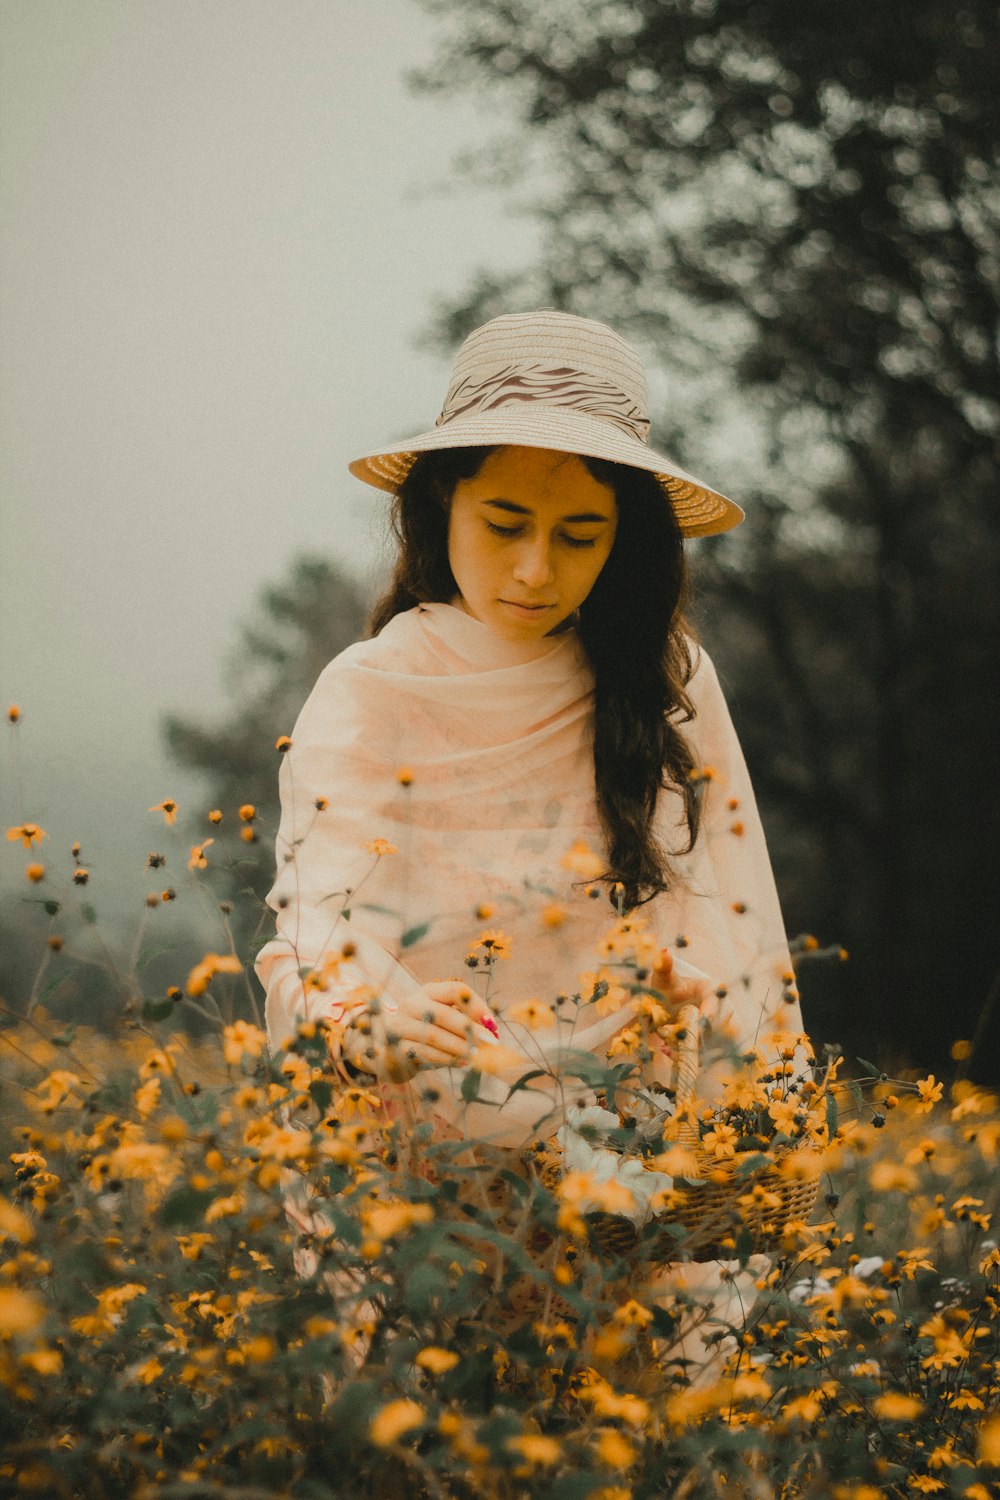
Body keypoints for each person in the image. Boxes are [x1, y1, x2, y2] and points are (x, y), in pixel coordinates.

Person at [255, 309, 807, 1368]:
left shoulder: (667, 680)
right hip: (420, 1174)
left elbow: (726, 921)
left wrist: (692, 1001)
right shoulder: (369, 693)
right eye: (503, 522)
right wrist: (372, 1022)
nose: (535, 570)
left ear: (625, 541)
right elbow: (315, 924)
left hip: (627, 1174)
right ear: (436, 507)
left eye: (579, 536)